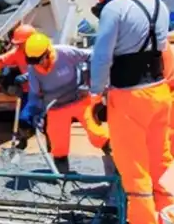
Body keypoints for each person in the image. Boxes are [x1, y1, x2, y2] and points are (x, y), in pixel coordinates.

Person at [89, 0, 174, 224]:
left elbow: (101, 57)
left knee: (133, 166)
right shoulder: (159, 5)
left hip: (129, 98)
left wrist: (97, 95)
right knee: (160, 161)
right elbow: (160, 48)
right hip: (159, 92)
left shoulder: (114, 9)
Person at [20, 33, 109, 175]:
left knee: (96, 133)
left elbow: (92, 56)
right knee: (58, 142)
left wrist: (90, 81)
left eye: (39, 60)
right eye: (34, 61)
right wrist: (34, 113)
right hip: (56, 107)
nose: (37, 64)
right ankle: (62, 174)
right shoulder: (33, 69)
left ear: (48, 53)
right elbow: (35, 95)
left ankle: (116, 166)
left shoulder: (65, 52)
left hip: (79, 99)